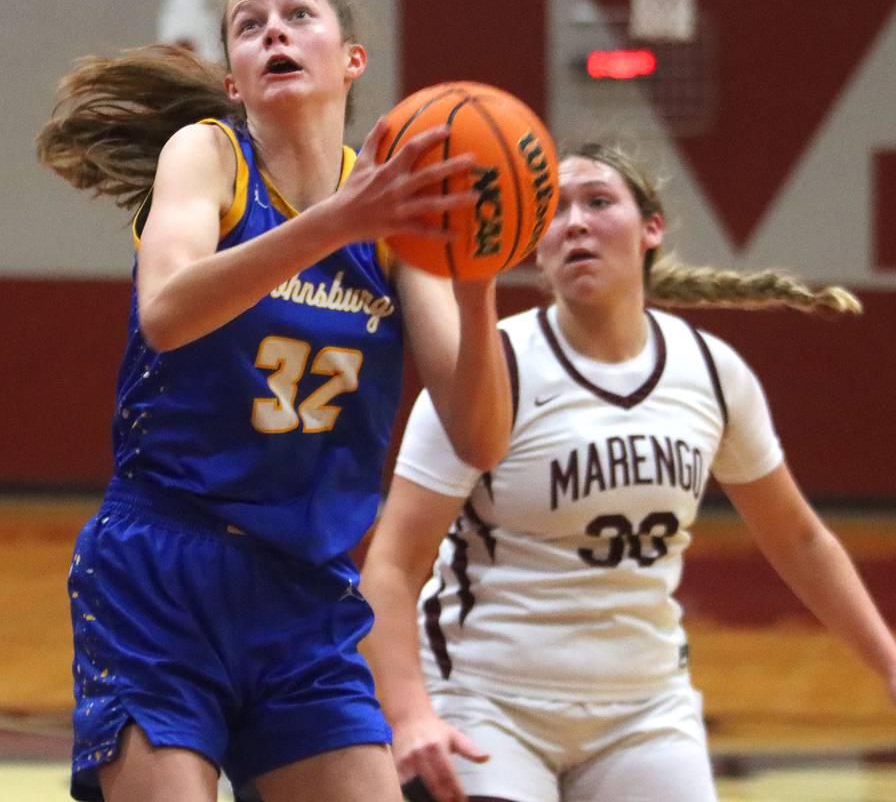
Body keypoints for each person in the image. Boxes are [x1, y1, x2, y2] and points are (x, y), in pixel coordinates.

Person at [37, 0, 514, 802]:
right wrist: (338, 220)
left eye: (299, 14)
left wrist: (475, 275)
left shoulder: (393, 227)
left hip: (305, 588)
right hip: (163, 571)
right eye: (249, 25)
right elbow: (169, 311)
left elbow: (480, 436)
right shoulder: (209, 156)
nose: (274, 32)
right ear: (234, 79)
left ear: (353, 59)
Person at [360, 144, 896, 802]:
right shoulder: (488, 370)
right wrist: (410, 713)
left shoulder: (711, 372)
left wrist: (889, 663)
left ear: (652, 229)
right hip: (485, 700)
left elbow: (799, 539)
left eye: (599, 201)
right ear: (536, 250)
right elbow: (389, 567)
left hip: (642, 710)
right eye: (554, 211)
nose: (576, 222)